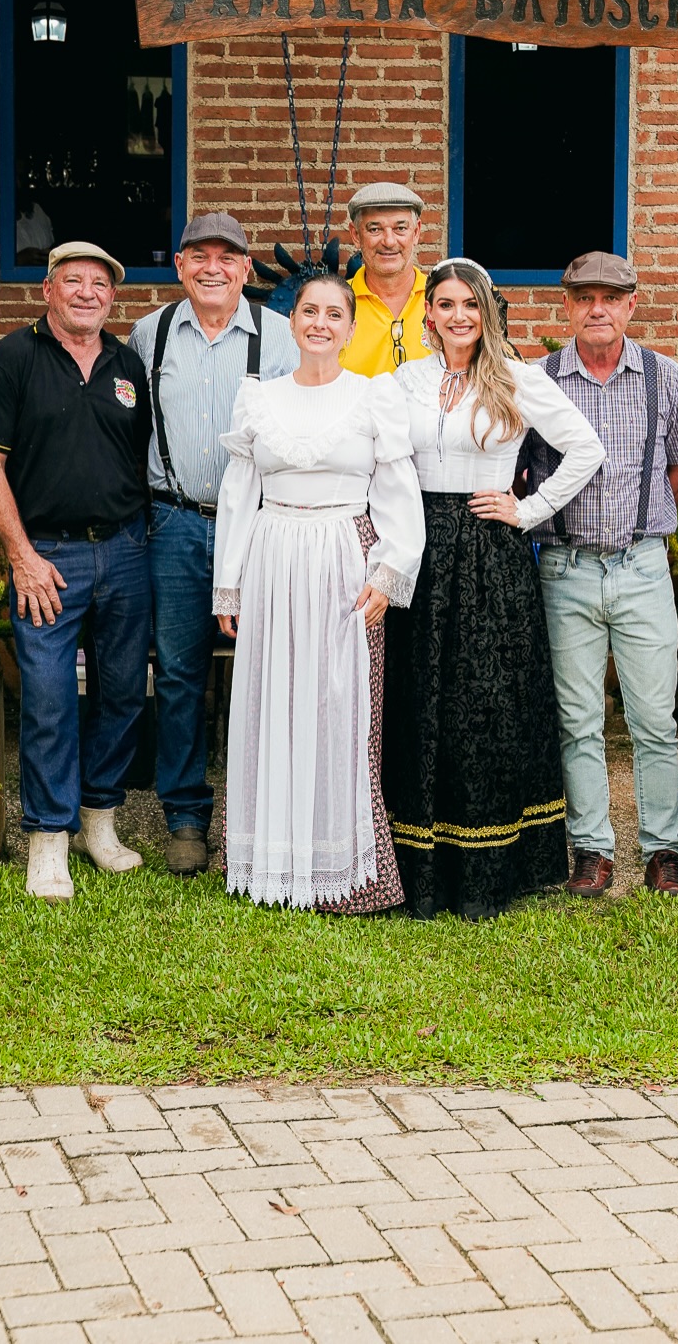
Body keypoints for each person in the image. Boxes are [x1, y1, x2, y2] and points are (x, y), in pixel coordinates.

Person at [384, 258, 605, 920]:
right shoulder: (403, 381)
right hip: (418, 540)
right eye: (445, 304)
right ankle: (417, 862)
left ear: (486, 312)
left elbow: (585, 449)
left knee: (482, 703)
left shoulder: (514, 377)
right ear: (428, 314)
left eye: (469, 305)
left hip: (486, 549)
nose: (457, 317)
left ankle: (490, 864)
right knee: (421, 694)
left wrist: (527, 510)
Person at [212, 274, 425, 913]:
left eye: (335, 313)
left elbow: (398, 490)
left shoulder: (374, 397)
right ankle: (271, 858)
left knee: (340, 704)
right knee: (271, 698)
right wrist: (231, 585)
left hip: (344, 557)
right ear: (293, 321)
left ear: (350, 327)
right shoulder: (258, 397)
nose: (322, 324)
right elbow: (237, 494)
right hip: (273, 556)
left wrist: (388, 572)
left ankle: (344, 868)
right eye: (310, 311)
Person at [0, 243, 151, 902]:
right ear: (47, 289)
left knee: (125, 692)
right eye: (73, 281)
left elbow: (138, 462)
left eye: (99, 283)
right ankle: (47, 838)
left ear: (112, 297)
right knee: (47, 699)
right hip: (48, 558)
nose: (87, 292)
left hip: (125, 553)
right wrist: (22, 555)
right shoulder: (12, 358)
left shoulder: (127, 364)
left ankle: (98, 823)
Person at [524, 252, 678, 898]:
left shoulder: (664, 377)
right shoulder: (538, 379)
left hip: (640, 565)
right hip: (565, 569)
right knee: (577, 717)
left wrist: (644, 518)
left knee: (654, 717)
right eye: (584, 298)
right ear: (566, 307)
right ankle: (592, 850)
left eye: (611, 297)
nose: (597, 309)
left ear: (631, 305)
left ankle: (663, 850)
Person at [128, 212, 298, 876]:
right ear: (179, 265)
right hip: (172, 523)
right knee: (177, 672)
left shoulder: (281, 338)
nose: (213, 269)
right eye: (199, 256)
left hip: (260, 526)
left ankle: (264, 815)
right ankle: (186, 817)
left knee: (270, 667)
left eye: (227, 258)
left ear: (246, 270)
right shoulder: (151, 334)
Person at [338, 182, 434, 378]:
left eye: (400, 228)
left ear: (416, 232)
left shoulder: (443, 300)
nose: (389, 241)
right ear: (356, 235)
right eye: (375, 229)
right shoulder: (335, 304)